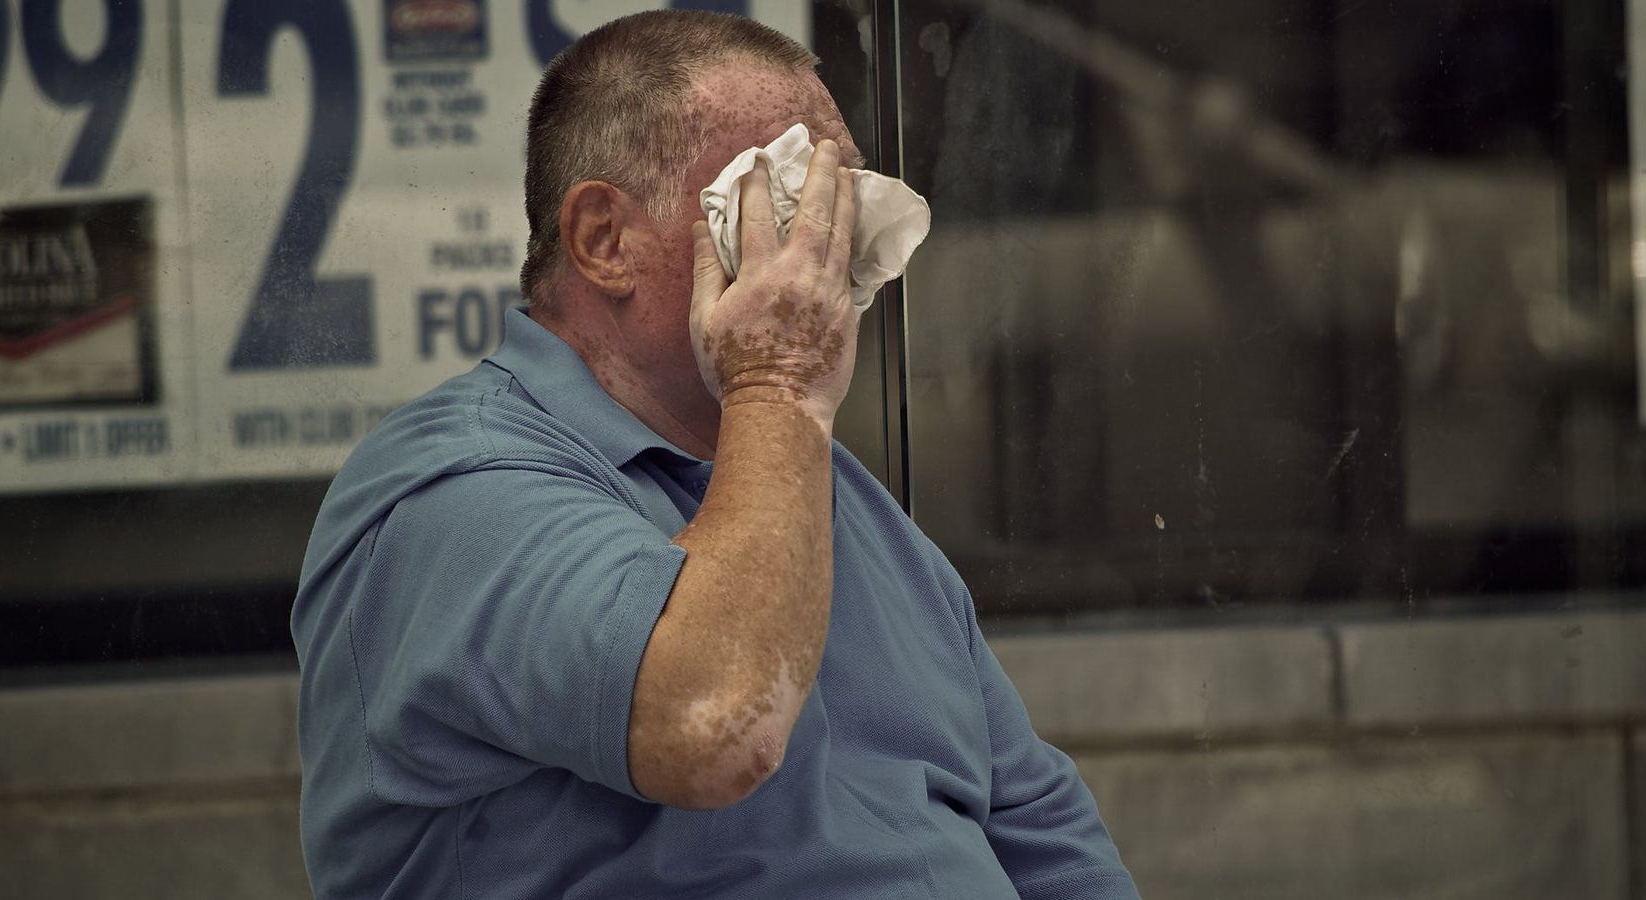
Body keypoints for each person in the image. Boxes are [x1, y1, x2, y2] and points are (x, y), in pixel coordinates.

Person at [291, 10, 1138, 899]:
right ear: (604, 240)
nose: (823, 254)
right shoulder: (450, 491)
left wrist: (779, 413)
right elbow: (714, 726)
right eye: (782, 206)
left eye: (838, 204)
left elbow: (1045, 832)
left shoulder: (838, 497)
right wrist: (776, 385)